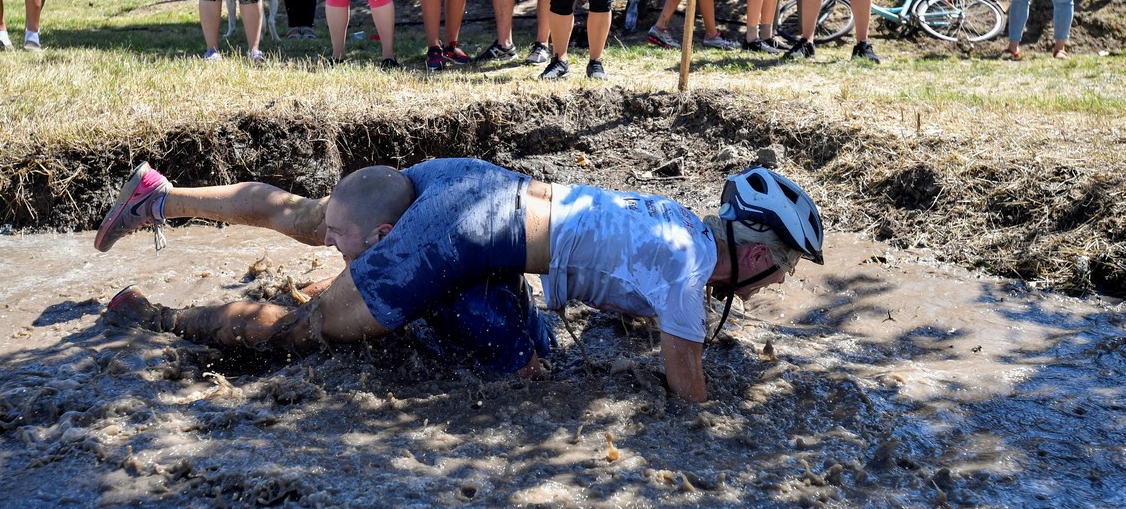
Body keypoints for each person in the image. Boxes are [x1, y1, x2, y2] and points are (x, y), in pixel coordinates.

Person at [100, 157, 825, 403]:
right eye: (784, 269)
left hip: (479, 185)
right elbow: (684, 379)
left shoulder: (675, 225)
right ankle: (151, 316)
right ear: (760, 253)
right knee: (310, 330)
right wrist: (706, 426)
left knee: (318, 215)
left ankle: (160, 196)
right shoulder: (689, 266)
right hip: (476, 226)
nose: (776, 284)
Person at [94, 162, 553, 376]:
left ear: (385, 237)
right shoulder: (413, 241)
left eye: (338, 234)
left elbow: (528, 378)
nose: (326, 242)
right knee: (307, 226)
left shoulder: (477, 308)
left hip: (489, 329)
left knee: (300, 327)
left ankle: (160, 320)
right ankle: (157, 199)